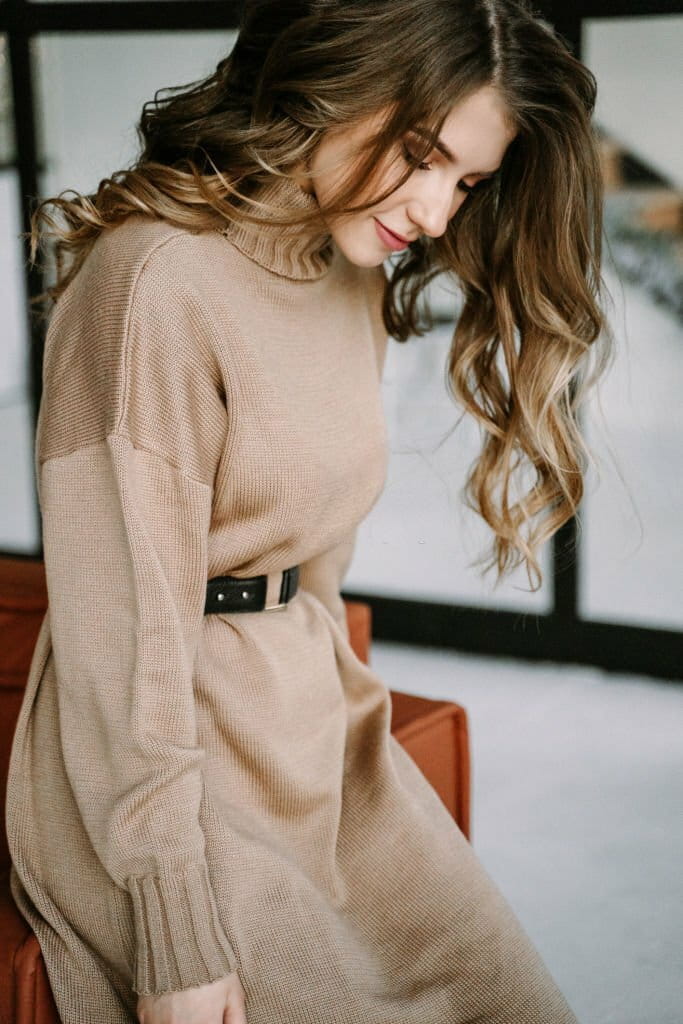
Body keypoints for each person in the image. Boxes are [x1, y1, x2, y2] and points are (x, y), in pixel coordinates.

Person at [6, 1, 608, 1022]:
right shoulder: (150, 282)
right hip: (162, 762)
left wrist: (347, 725)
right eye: (419, 153)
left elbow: (313, 570)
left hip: (310, 716)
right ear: (333, 79)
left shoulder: (349, 277)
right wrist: (172, 934)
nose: (430, 210)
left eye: (462, 182)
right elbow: (120, 642)